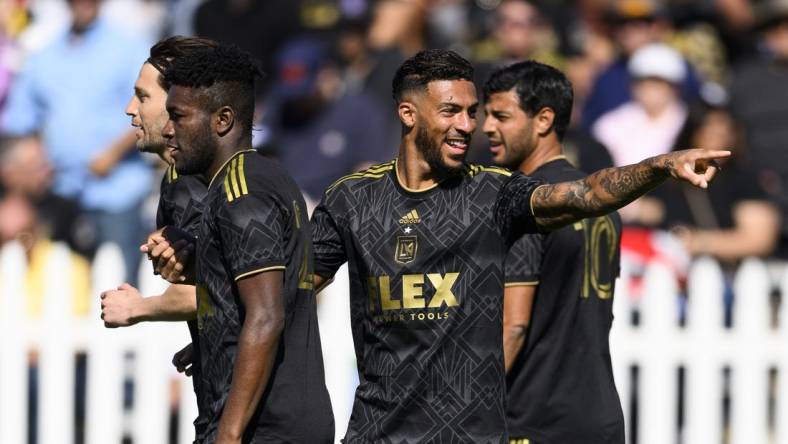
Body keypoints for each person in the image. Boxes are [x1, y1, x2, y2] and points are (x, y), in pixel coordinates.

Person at [152, 49, 727, 442]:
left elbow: (582, 194)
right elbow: (285, 292)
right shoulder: (352, 200)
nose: (467, 125)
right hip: (378, 433)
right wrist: (213, 334)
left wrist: (659, 166)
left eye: (474, 112)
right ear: (408, 113)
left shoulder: (492, 194)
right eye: (451, 110)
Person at [151, 43, 334, 443]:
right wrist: (212, 344)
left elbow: (266, 315)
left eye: (178, 116)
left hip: (264, 428)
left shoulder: (241, 191)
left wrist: (229, 434)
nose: (168, 129)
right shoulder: (260, 178)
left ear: (223, 120)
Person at [483, 60, 624, 444]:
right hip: (600, 418)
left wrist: (470, 412)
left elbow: (513, 326)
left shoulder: (527, 203)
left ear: (543, 119)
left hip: (533, 419)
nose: (486, 127)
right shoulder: (601, 207)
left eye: (501, 116)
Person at [98, 35, 218, 439]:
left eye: (141, 97)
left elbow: (236, 293)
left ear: (176, 106)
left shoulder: (204, 182)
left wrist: (139, 307)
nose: (130, 110)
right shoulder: (175, 181)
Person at [2, 0, 152, 283]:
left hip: (118, 192)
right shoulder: (46, 53)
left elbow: (154, 109)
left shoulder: (129, 47)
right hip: (61, 192)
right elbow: (20, 120)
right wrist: (30, 162)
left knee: (121, 284)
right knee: (60, 282)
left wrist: (113, 153)